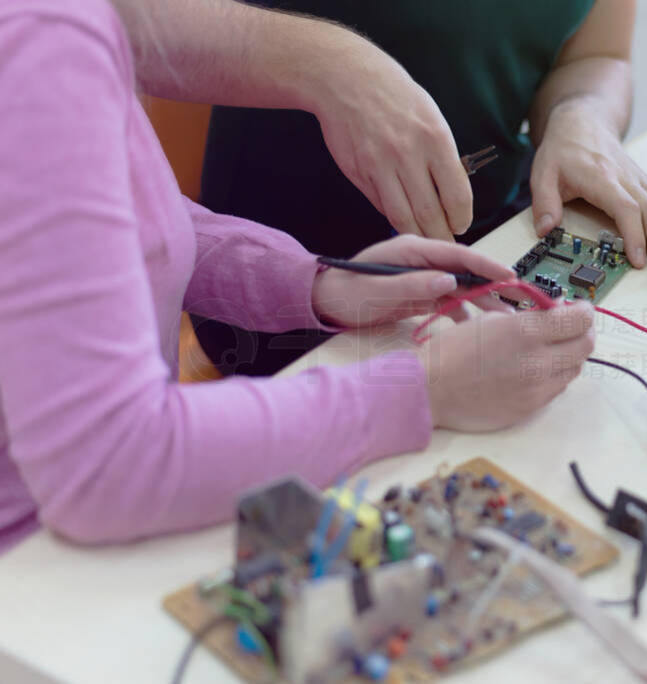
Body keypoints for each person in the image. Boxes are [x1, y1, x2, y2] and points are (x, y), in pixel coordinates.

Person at [0, 0, 595, 553]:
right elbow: (113, 468)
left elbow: (129, 223)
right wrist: (425, 389)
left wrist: (319, 284)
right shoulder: (40, 36)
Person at [195, 0, 647, 375]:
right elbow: (132, 22)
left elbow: (598, 55)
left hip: (495, 233)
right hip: (288, 283)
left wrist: (582, 113)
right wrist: (330, 64)